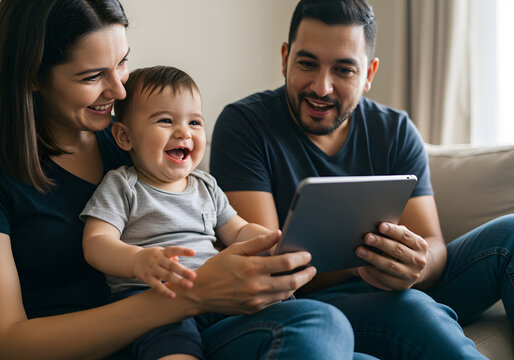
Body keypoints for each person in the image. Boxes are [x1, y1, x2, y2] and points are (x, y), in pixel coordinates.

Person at [0, 1, 372, 359]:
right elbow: (8, 343)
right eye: (92, 76)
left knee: (342, 335)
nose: (120, 92)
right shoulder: (122, 163)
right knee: (319, 323)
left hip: (201, 319)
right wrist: (194, 295)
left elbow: (232, 228)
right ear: (32, 74)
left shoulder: (139, 143)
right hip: (144, 334)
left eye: (122, 62)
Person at [210, 0, 514, 358]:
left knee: (508, 234)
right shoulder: (244, 126)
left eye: (343, 70)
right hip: (310, 303)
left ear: (369, 74)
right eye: (307, 64)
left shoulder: (394, 130)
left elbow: (432, 242)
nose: (321, 87)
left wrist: (415, 266)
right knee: (414, 309)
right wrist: (360, 263)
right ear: (284, 58)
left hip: (392, 288)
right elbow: (273, 272)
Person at [81, 65, 294, 359]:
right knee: (173, 347)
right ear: (125, 137)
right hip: (152, 298)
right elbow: (96, 243)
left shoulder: (205, 185)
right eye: (166, 121)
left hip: (216, 292)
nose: (184, 132)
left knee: (282, 306)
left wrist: (274, 240)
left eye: (194, 122)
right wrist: (137, 260)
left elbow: (239, 230)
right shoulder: (123, 185)